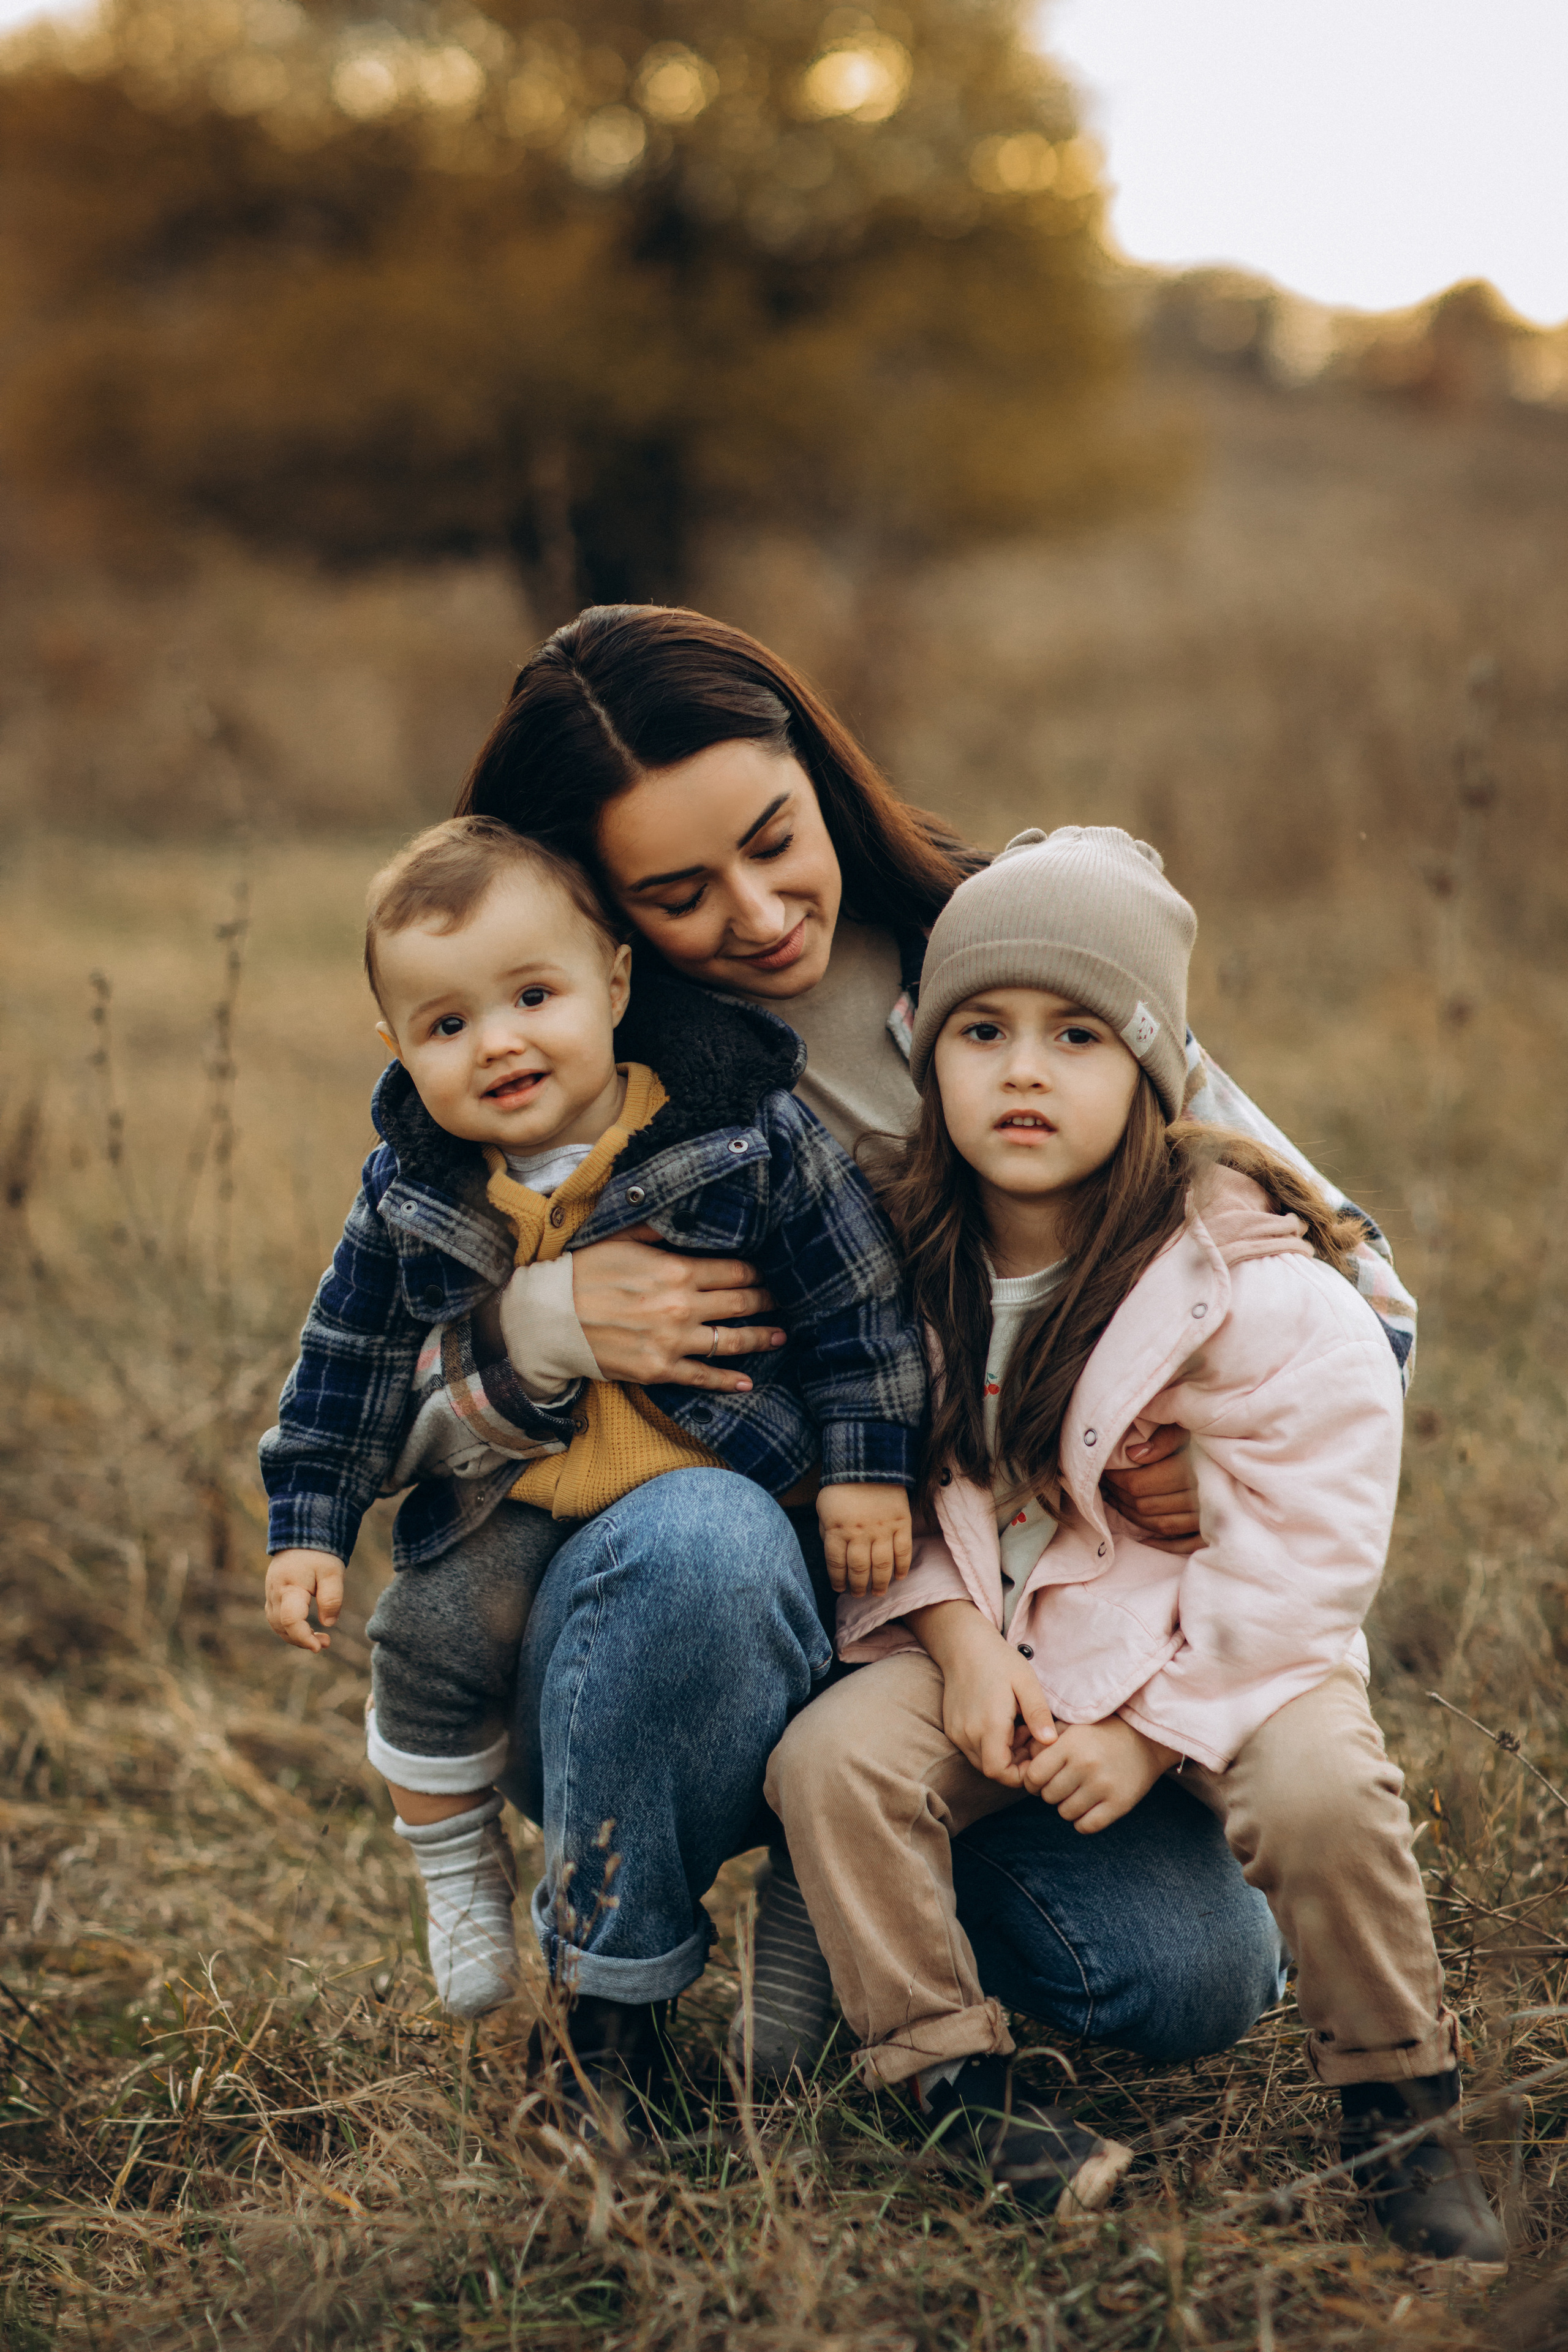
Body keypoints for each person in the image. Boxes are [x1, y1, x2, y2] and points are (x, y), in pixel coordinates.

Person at [401, 603, 1411, 2098]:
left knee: (1191, 1975)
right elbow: (382, 1415)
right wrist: (539, 1325)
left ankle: (887, 1921)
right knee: (701, 1538)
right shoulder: (562, 1057)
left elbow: (1358, 1294)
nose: (753, 913)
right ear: (599, 917)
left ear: (816, 769)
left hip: (1022, 1625)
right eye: (676, 893)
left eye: (771, 837)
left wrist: (1199, 1447)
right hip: (687, 1647)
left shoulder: (1017, 957)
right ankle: (614, 2020)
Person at [766, 825, 1504, 2263]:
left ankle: (1398, 2107)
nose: (1023, 1071)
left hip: (1217, 1644)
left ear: (1155, 1073)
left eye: (1077, 1036)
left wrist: (1157, 1737)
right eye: (982, 1030)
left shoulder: (1245, 1280)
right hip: (1007, 1631)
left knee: (1318, 1796)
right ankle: (944, 2080)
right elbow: (886, 1470)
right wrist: (957, 1638)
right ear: (930, 1062)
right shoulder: (900, 1256)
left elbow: (1308, 1537)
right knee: (833, 1762)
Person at [259, 816, 924, 2056]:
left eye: (532, 995)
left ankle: (807, 1959)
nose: (497, 1041)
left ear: (614, 983)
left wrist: (864, 1474)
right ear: (397, 1048)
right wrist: (308, 1528)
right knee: (423, 1632)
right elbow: (339, 1368)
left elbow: (859, 1310)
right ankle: (460, 1873)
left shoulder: (743, 1133)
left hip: (750, 1509)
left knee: (833, 1713)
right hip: (519, 1515)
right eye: (446, 1025)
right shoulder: (411, 1191)